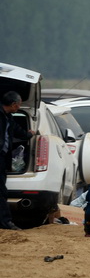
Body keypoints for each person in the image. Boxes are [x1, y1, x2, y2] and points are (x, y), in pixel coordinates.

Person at [0, 91, 36, 230]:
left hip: (2, 159)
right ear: (14, 104)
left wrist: (28, 134)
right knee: (1, 191)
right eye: (19, 104)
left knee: (2, 191)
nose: (19, 107)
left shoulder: (8, 117)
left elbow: (17, 130)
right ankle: (5, 222)